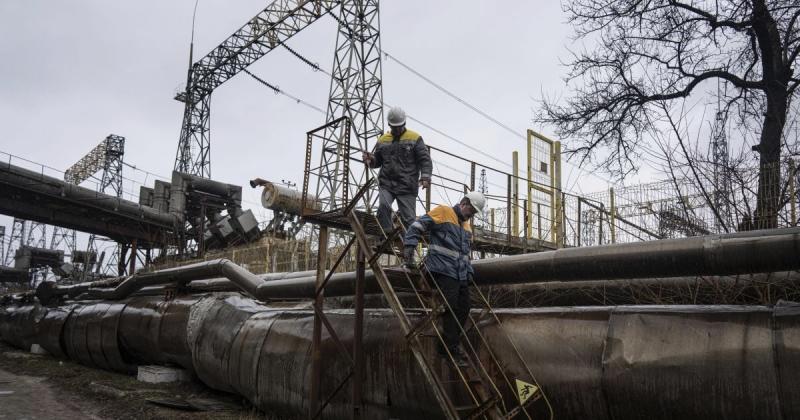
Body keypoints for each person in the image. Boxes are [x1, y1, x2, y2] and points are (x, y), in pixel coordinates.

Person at [402, 191, 486, 364]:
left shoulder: (467, 227)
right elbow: (417, 226)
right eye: (471, 210)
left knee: (465, 307)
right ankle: (449, 348)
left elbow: (464, 254)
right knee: (450, 305)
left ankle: (448, 345)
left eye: (474, 213)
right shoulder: (444, 212)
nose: (472, 214)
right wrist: (410, 247)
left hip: (459, 273)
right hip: (440, 269)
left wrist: (469, 272)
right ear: (464, 203)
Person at [362, 107, 433, 235]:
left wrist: (426, 177)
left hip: (407, 185)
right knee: (383, 207)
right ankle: (387, 235)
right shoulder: (383, 140)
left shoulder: (415, 138)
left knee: (409, 219)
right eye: (394, 127)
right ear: (390, 125)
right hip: (387, 184)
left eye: (399, 126)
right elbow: (377, 161)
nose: (397, 129)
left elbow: (425, 160)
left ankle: (410, 246)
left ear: (404, 123)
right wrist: (370, 160)